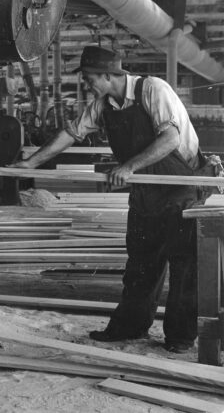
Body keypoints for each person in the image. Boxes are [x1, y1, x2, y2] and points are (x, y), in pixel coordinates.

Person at [21, 45, 204, 354]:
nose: (86, 84)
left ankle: (180, 337)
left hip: (180, 188)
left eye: (89, 78)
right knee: (141, 264)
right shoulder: (103, 104)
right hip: (145, 193)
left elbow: (170, 137)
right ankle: (130, 326)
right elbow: (72, 133)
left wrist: (129, 166)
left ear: (108, 75)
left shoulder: (153, 89)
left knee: (185, 268)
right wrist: (32, 163)